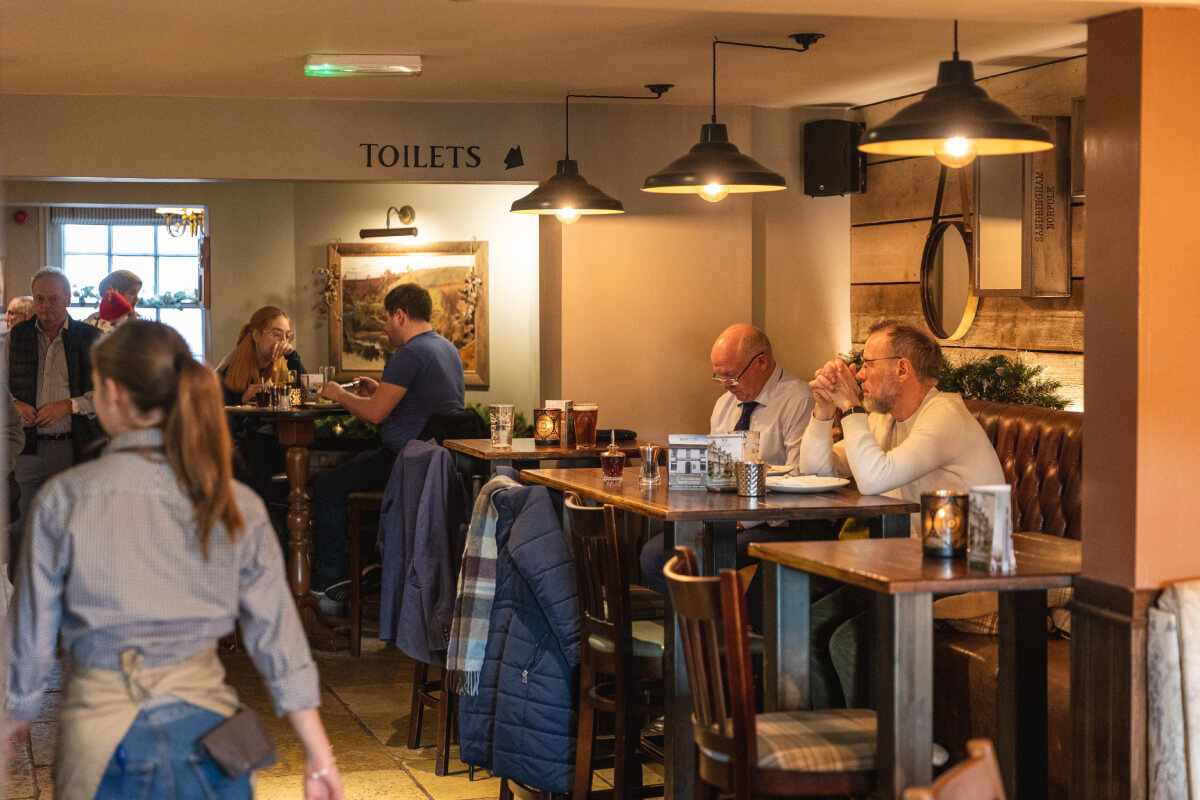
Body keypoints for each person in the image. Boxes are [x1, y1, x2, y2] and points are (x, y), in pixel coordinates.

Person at [4, 320, 343, 800]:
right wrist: (318, 752)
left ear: (113, 395)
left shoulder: (66, 499)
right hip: (212, 740)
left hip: (102, 741)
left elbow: (32, 629)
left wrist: (16, 712)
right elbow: (278, 635)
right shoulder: (235, 502)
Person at [800, 320, 1005, 708]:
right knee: (807, 624)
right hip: (907, 568)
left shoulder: (944, 416)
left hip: (964, 571)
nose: (859, 374)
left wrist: (850, 406)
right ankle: (835, 748)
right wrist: (824, 411)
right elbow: (818, 472)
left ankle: (882, 754)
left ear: (902, 368)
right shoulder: (881, 418)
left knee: (848, 641)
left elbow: (875, 479)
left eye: (867, 363)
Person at [312, 283, 465, 606]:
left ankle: (330, 584)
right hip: (437, 462)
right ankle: (364, 570)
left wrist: (340, 393)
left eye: (385, 320)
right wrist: (380, 388)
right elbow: (417, 401)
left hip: (407, 461)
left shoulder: (408, 353)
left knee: (327, 486)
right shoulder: (447, 349)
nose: (384, 328)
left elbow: (376, 413)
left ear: (400, 315)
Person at [638, 323, 818, 597]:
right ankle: (699, 632)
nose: (725, 385)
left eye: (731, 376)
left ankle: (717, 632)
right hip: (724, 517)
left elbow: (800, 480)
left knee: (704, 553)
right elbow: (715, 472)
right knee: (654, 553)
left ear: (761, 362)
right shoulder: (725, 404)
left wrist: (740, 521)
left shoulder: (798, 399)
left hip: (776, 524)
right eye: (719, 376)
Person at [7, 267, 105, 569]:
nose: (45, 306)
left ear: (68, 299)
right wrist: (15, 404)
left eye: (52, 299)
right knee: (21, 526)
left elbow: (105, 394)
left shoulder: (91, 339)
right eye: (39, 299)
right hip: (26, 449)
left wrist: (70, 405)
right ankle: (22, 595)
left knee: (70, 525)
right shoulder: (16, 337)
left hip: (71, 447)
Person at [215, 305, 307, 406]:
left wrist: (292, 357)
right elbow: (216, 414)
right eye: (277, 334)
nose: (284, 341)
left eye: (287, 336)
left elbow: (305, 396)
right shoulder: (230, 371)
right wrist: (242, 400)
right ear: (256, 335)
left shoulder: (287, 362)